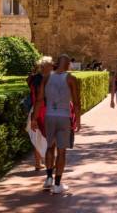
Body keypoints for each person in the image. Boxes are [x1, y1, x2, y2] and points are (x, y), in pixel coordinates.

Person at [32, 54, 82, 195]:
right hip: (64, 116)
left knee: (50, 147)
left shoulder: (47, 77)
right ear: (67, 65)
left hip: (49, 116)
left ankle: (48, 177)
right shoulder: (71, 78)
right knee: (61, 151)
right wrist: (78, 120)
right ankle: (58, 184)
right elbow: (77, 102)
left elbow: (40, 100)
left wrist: (34, 118)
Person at [27, 56, 53, 170]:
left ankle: (38, 163)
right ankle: (49, 162)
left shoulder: (33, 79)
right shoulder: (48, 79)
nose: (52, 66)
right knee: (48, 136)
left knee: (37, 136)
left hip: (34, 109)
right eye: (50, 65)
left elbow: (28, 82)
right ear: (45, 67)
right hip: (44, 109)